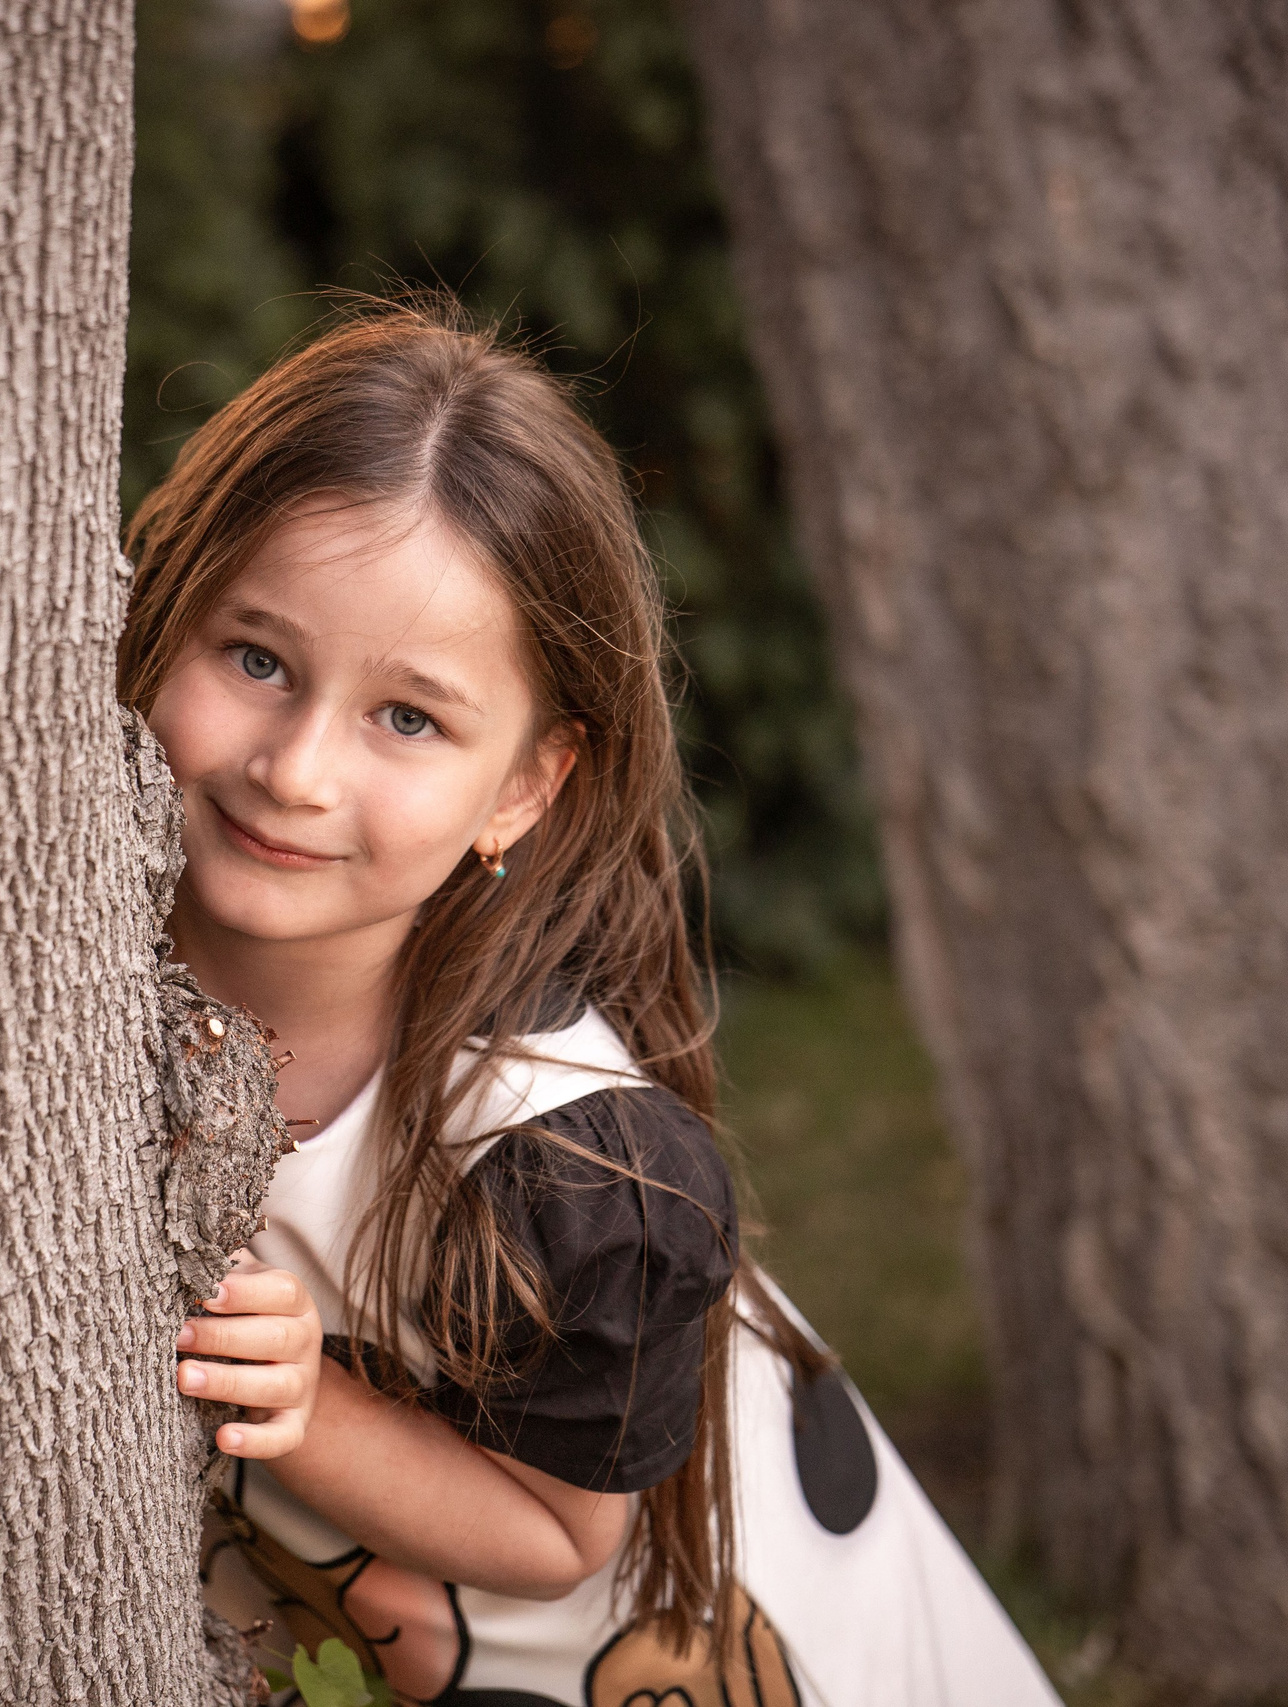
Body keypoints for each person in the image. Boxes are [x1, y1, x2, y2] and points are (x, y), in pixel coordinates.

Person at [123, 301, 1060, 1707]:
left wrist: (311, 1413)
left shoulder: (568, 1162)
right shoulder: (62, 958)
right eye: (256, 659)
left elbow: (561, 1537)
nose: (296, 769)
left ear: (522, 787)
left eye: (407, 718)